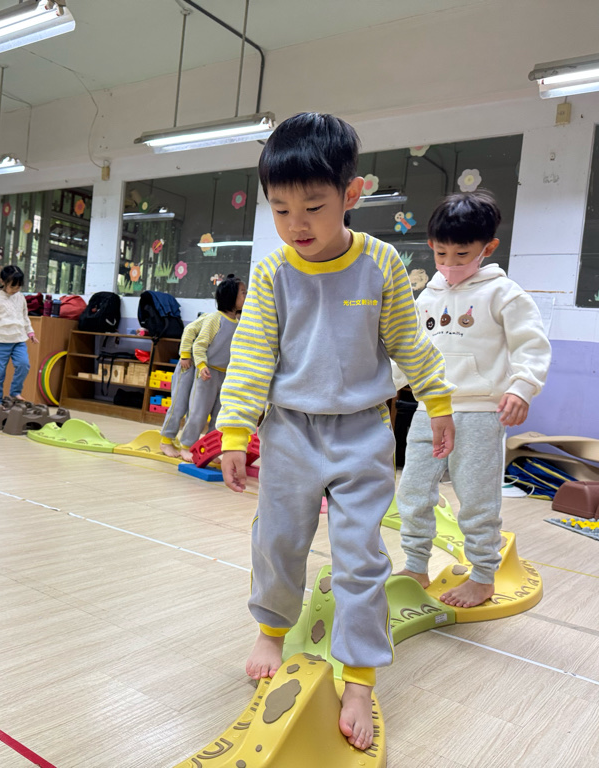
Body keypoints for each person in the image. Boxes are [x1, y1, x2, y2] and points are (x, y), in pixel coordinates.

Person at [216, 113, 455, 750]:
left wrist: (438, 401)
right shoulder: (273, 272)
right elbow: (252, 358)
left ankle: (360, 677)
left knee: (360, 557)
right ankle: (271, 630)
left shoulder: (380, 264)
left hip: (362, 434)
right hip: (290, 432)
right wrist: (236, 432)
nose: (297, 223)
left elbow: (408, 342)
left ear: (351, 194)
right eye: (280, 209)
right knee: (277, 541)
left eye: (313, 207)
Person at [395, 191, 551, 608]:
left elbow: (532, 346)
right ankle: (415, 564)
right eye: (441, 253)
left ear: (488, 248)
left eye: (462, 255)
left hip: (480, 412)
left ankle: (483, 576)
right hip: (429, 411)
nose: (449, 264)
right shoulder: (426, 297)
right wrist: (382, 387)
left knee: (477, 499)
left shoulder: (505, 294)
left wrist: (521, 387)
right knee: (412, 493)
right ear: (431, 245)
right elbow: (409, 351)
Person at [178, 275, 246, 461]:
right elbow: (199, 345)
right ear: (230, 296)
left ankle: (210, 449)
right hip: (207, 373)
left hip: (225, 376)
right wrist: (201, 366)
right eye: (243, 293)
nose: (246, 296)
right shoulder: (215, 319)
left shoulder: (240, 322)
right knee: (198, 413)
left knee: (218, 417)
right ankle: (187, 446)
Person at [0, 265, 38, 403]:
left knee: (24, 365)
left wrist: (30, 332)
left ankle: (15, 392)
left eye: (18, 286)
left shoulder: (20, 297)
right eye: (12, 286)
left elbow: (24, 316)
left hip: (18, 339)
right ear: (2, 282)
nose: (16, 289)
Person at [158, 313, 209, 458]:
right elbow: (189, 330)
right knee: (178, 405)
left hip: (202, 366)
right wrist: (185, 354)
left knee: (194, 409)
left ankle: (186, 444)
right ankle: (166, 441)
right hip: (189, 364)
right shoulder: (210, 317)